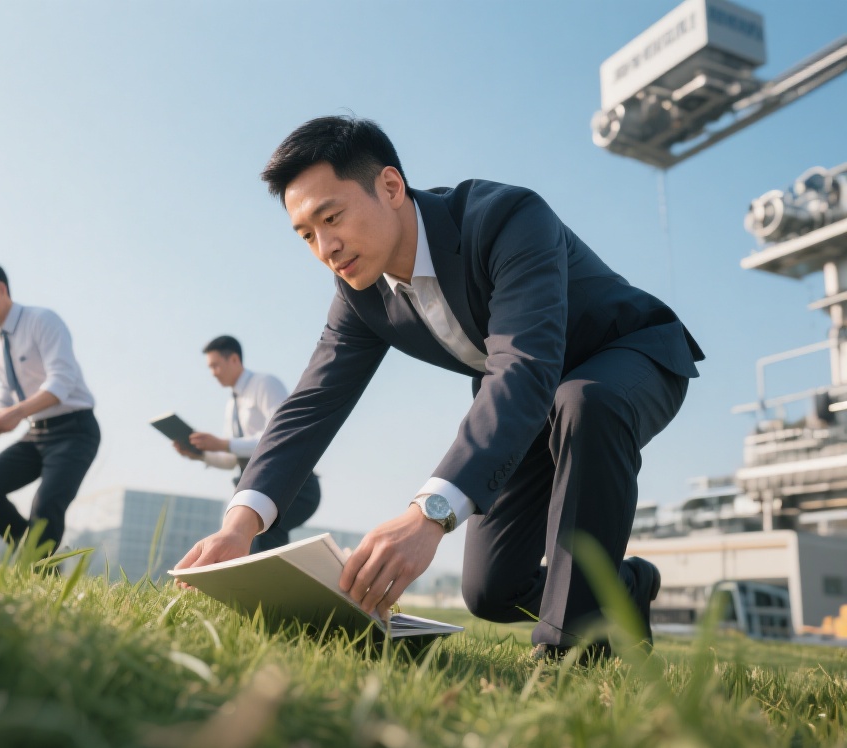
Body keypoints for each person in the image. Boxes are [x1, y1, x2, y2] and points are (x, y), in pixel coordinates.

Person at [176, 116, 704, 660]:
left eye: (331, 218)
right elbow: (311, 404)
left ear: (390, 186)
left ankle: (571, 651)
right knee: (490, 590)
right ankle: (626, 586)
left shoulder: (507, 218)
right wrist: (239, 527)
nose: (326, 248)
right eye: (307, 235)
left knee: (584, 401)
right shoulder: (360, 292)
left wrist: (428, 512)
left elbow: (522, 364)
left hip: (629, 356)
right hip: (529, 409)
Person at [0, 261, 100, 555]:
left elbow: (62, 380)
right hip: (36, 434)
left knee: (46, 506)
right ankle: (34, 558)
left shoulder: (42, 320)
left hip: (75, 431)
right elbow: (6, 394)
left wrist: (16, 413)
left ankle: (37, 567)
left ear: (0, 288)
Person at [173, 335, 321, 553]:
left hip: (295, 484)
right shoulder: (232, 404)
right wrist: (201, 454)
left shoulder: (265, 384)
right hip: (259, 485)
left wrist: (223, 443)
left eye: (215, 365)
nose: (213, 373)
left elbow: (282, 437)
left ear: (234, 359)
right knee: (253, 537)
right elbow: (232, 458)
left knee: (263, 532)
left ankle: (269, 585)